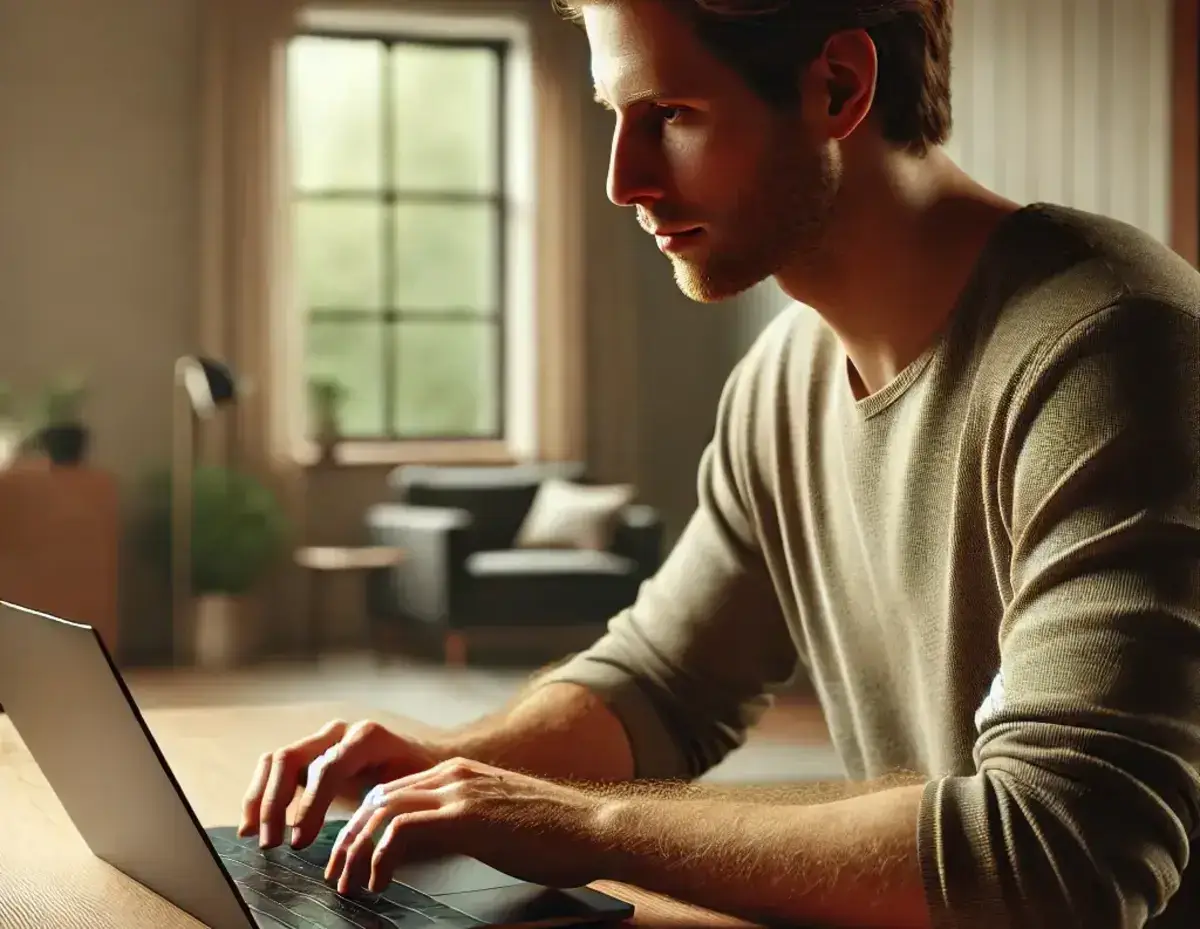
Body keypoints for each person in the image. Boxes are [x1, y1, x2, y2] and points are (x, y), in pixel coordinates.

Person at [241, 1, 1200, 926]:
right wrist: (446, 767)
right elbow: (665, 682)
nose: (623, 179)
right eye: (618, 117)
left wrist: (590, 826)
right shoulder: (781, 376)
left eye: (672, 116)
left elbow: (1061, 853)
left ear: (837, 85)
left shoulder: (1117, 350)